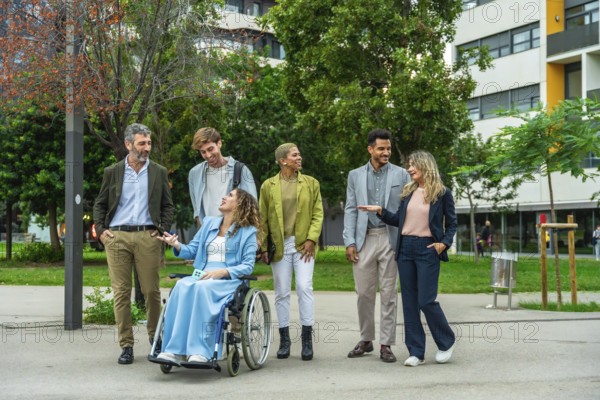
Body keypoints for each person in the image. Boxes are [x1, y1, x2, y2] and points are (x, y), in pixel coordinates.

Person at [358, 150, 457, 367]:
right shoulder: (409, 192)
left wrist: (444, 243)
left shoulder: (442, 193)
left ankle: (446, 341)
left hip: (428, 248)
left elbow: (452, 224)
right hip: (405, 249)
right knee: (409, 302)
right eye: (409, 165)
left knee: (426, 301)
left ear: (425, 165)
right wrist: (381, 211)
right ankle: (416, 351)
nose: (409, 169)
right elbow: (400, 221)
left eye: (413, 165)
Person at [93, 123, 175, 365]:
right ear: (129, 145)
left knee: (151, 291)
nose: (147, 148)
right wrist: (101, 231)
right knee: (121, 293)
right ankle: (126, 345)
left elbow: (167, 205)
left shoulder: (159, 172)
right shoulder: (113, 171)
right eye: (142, 143)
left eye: (149, 143)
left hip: (147, 237)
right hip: (117, 237)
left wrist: (160, 230)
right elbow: (100, 203)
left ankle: (155, 338)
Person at [155, 189, 259, 364]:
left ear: (240, 204)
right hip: (203, 274)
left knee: (202, 288)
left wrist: (223, 272)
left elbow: (248, 266)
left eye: (231, 195)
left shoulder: (248, 231)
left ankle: (200, 350)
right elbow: (192, 250)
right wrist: (177, 244)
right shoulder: (209, 223)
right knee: (181, 286)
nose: (224, 197)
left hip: (228, 279)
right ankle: (174, 350)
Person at [343, 128, 409, 363]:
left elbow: (407, 208)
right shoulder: (355, 175)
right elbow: (350, 209)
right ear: (370, 149)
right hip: (364, 240)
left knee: (389, 295)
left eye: (388, 148)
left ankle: (386, 344)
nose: (386, 152)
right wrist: (349, 241)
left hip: (390, 240)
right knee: (364, 294)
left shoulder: (402, 175)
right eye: (381, 148)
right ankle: (366, 339)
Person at [259, 143, 323, 361]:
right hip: (280, 244)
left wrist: (312, 239)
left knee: (305, 287)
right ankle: (284, 340)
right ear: (282, 160)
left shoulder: (311, 183)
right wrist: (264, 246)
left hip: (303, 244)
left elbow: (317, 213)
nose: (299, 157)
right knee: (282, 292)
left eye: (299, 154)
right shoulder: (268, 186)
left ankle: (306, 340)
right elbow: (263, 219)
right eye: (294, 155)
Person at [189, 127, 257, 228]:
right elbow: (197, 211)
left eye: (210, 149)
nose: (208, 155)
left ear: (219, 143)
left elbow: (252, 208)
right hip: (208, 233)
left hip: (234, 232)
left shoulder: (240, 170)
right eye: (203, 152)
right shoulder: (194, 173)